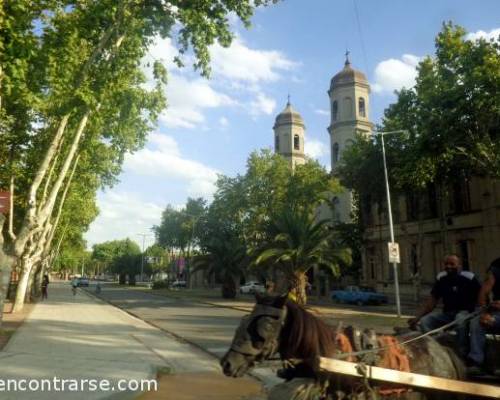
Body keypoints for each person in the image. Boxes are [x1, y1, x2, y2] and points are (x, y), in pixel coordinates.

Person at [407, 254, 480, 357]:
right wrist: (418, 317)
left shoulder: (469, 278)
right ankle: (436, 348)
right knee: (425, 321)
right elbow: (432, 301)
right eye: (446, 264)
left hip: (465, 312)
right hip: (447, 314)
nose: (448, 266)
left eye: (452, 264)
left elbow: (481, 296)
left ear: (459, 265)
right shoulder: (442, 280)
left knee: (460, 320)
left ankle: (461, 352)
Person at [467, 257, 500, 373]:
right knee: (477, 322)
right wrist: (484, 312)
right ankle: (476, 362)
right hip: (497, 315)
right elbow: (483, 292)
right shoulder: (496, 266)